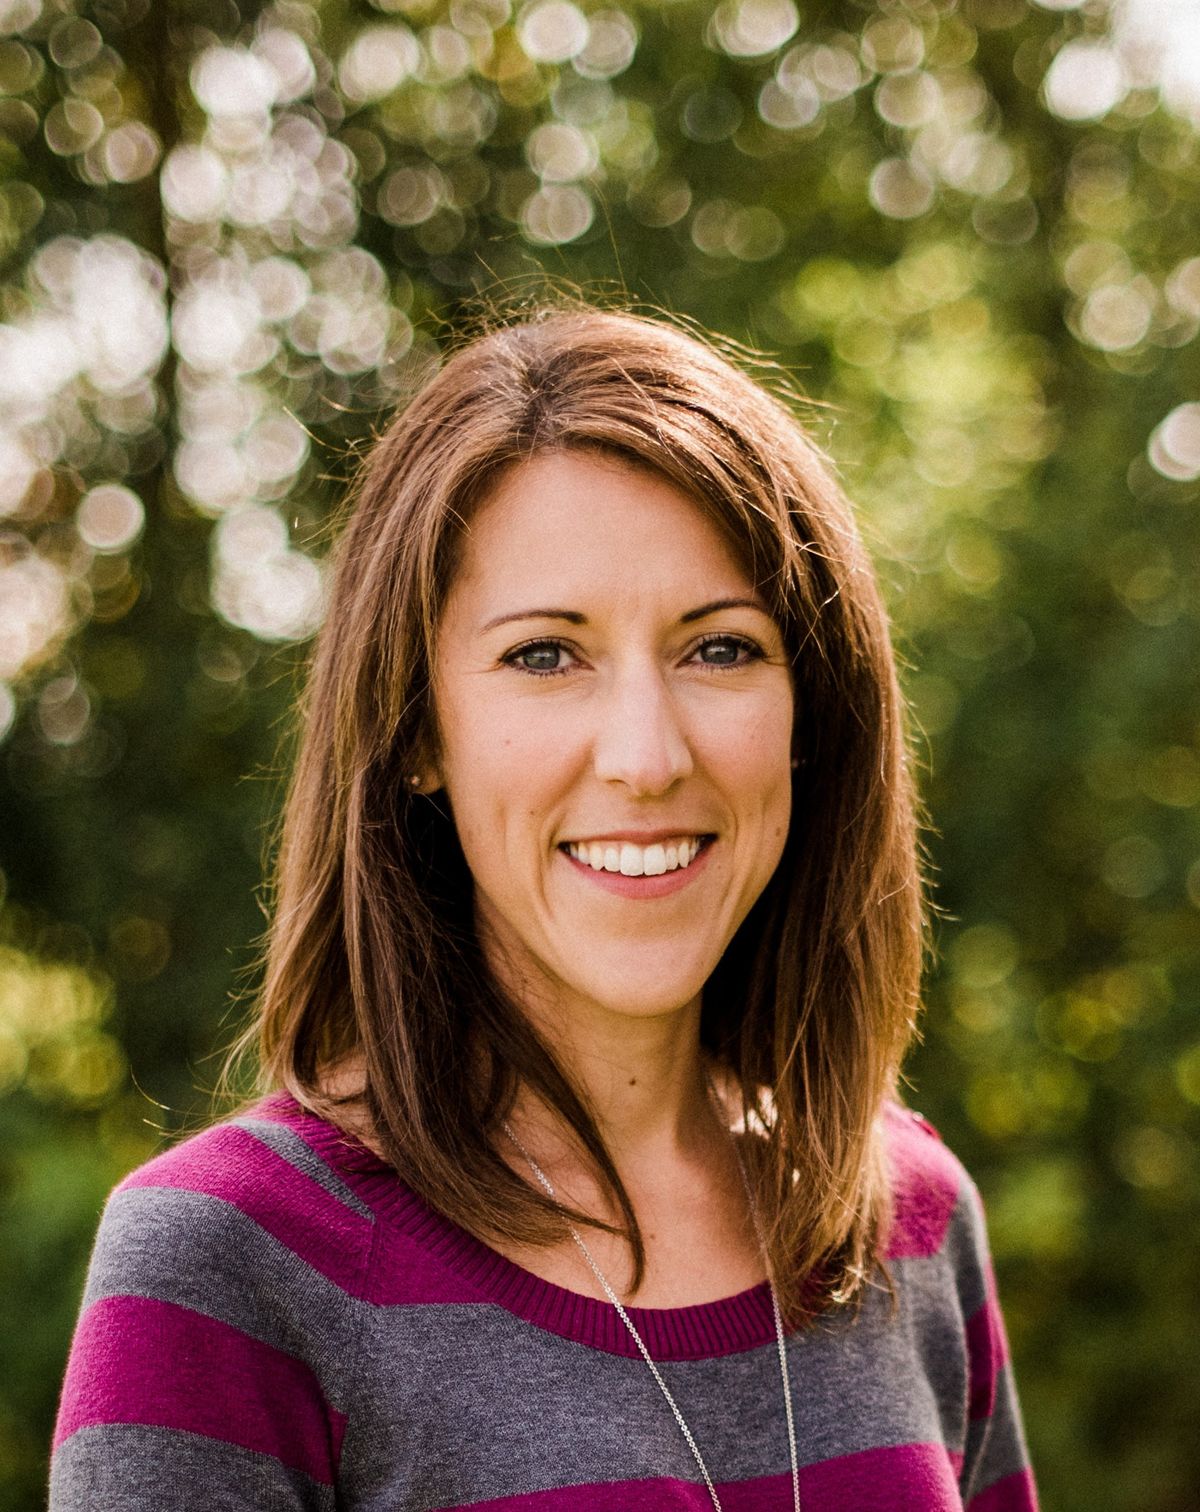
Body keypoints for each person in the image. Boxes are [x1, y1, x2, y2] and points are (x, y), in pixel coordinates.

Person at [50, 306, 1038, 1511]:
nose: (646, 755)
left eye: (720, 649)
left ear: (810, 716)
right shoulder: (226, 1266)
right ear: (417, 730)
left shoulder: (912, 1221)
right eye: (544, 656)